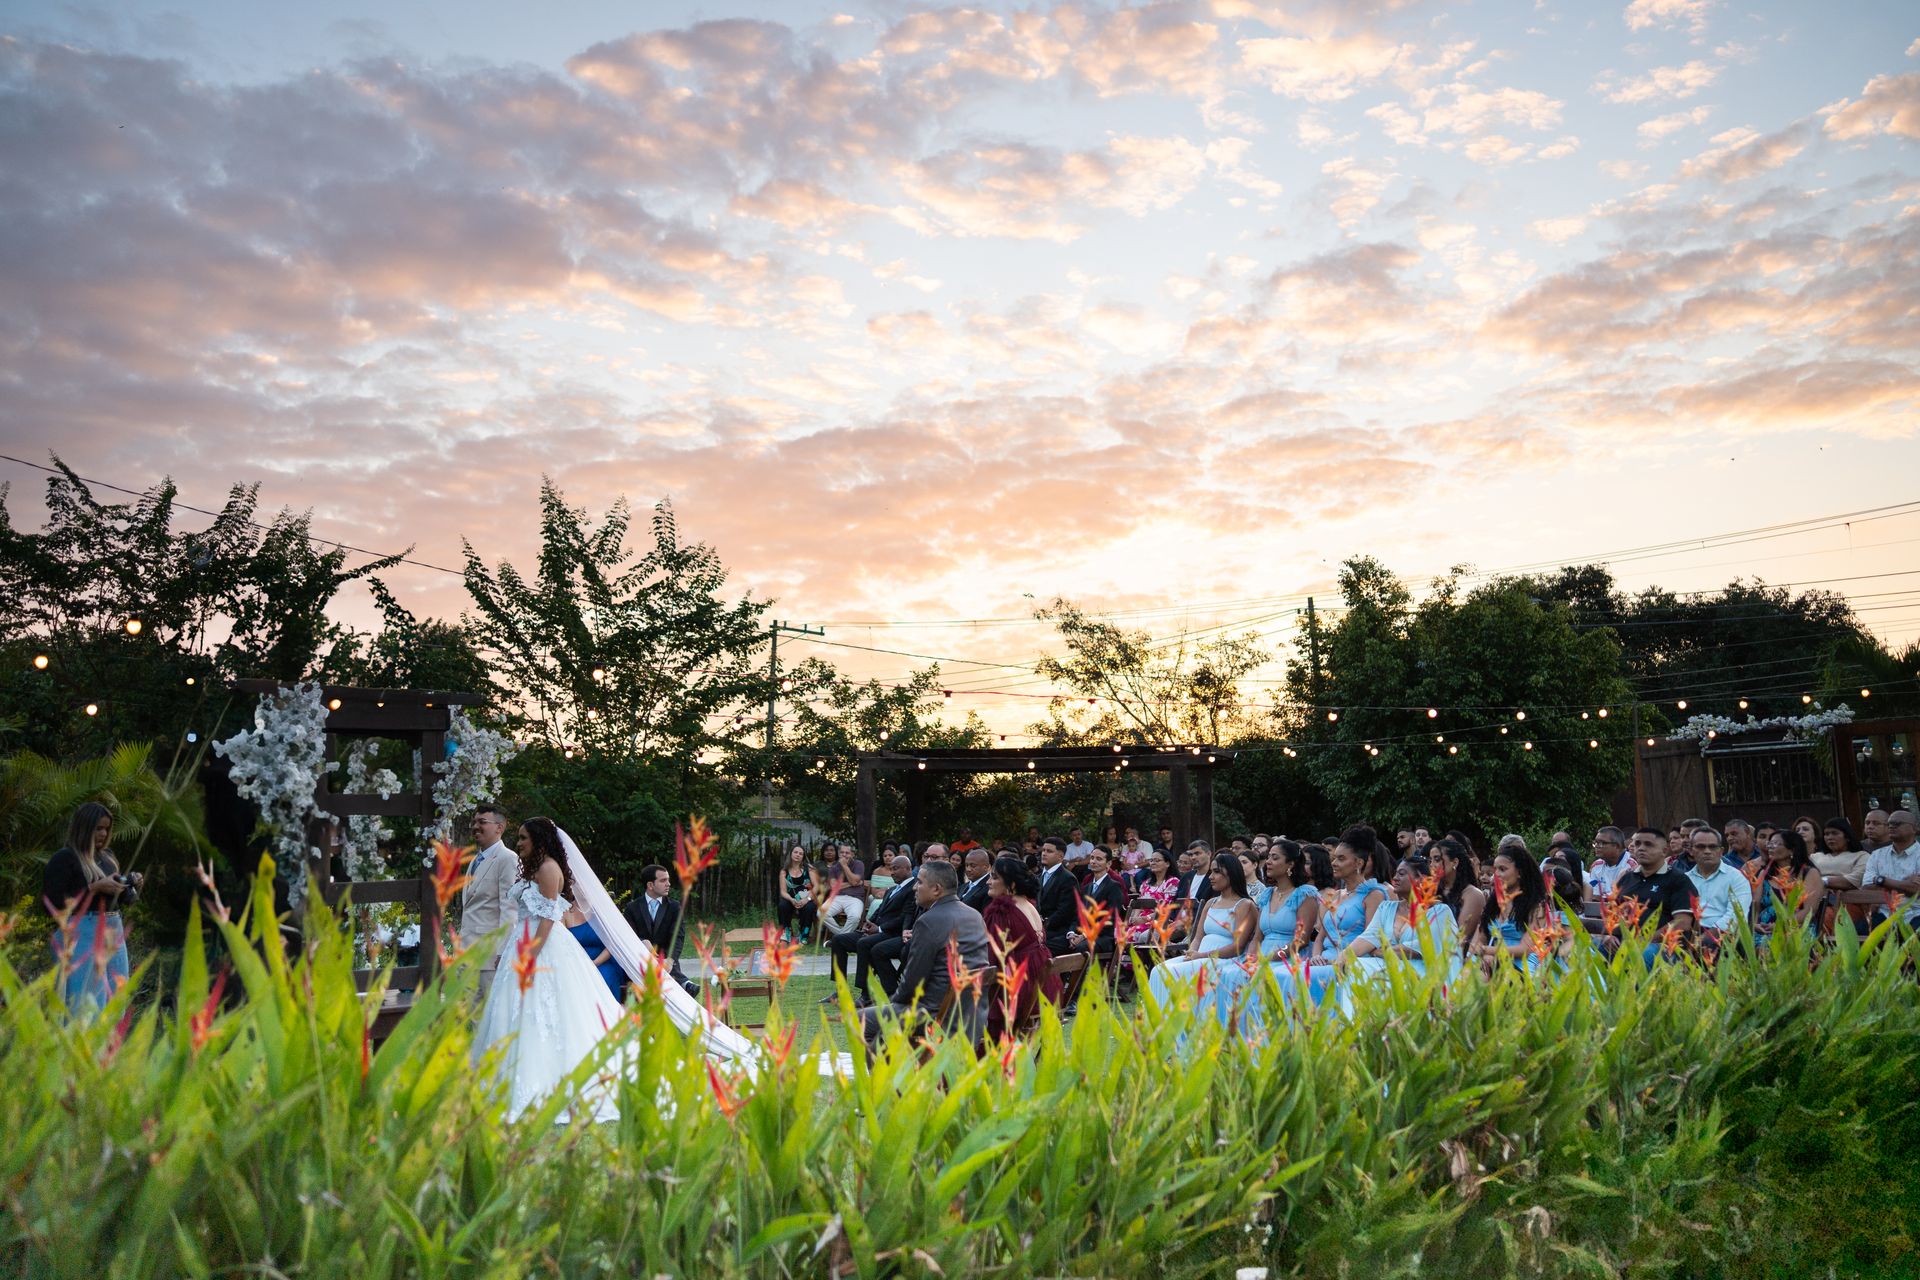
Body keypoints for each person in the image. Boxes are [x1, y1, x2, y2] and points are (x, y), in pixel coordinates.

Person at [473, 817, 627, 1120]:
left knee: (544, 1011)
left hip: (541, 945)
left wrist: (531, 956)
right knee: (511, 1010)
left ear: (539, 840)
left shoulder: (547, 868)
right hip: (521, 940)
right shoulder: (533, 867)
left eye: (523, 838)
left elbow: (547, 918)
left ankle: (547, 1085)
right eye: (518, 838)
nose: (519, 843)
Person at [859, 861, 991, 1047]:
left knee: (860, 1019)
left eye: (919, 882)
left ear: (936, 889)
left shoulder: (928, 921)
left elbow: (913, 980)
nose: (914, 887)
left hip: (935, 1015)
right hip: (971, 1014)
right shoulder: (974, 916)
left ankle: (888, 1066)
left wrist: (894, 1003)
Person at [42, 801, 139, 1014]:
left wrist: (130, 886)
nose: (103, 833)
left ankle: (112, 1038)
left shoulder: (108, 857)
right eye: (98, 828)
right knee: (84, 1003)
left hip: (113, 928)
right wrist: (94, 888)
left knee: (116, 999)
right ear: (84, 828)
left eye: (106, 828)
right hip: (82, 931)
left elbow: (122, 900)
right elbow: (52, 904)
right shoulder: (65, 858)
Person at [1147, 852, 1257, 1004]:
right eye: (1211, 872)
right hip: (1199, 956)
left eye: (1216, 872)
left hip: (1223, 959)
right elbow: (1198, 937)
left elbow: (1238, 946)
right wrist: (1191, 953)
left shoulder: (1244, 905)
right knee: (1158, 971)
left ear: (1231, 873)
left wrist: (1202, 956)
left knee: (1173, 972)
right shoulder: (1211, 903)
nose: (1211, 877)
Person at [981, 855, 1063, 1039]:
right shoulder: (1028, 904)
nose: (988, 882)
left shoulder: (1002, 910)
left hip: (1019, 991)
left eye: (994, 877)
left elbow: (994, 958)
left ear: (1011, 884)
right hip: (1042, 986)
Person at [828, 853, 919, 1003]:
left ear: (908, 869)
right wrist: (869, 923)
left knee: (864, 944)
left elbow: (904, 917)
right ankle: (840, 989)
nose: (892, 872)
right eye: (891, 869)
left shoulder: (913, 889)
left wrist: (880, 928)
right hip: (876, 931)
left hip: (892, 934)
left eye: (896, 868)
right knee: (838, 940)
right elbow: (880, 911)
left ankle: (866, 994)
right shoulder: (891, 889)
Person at [1613, 827, 1697, 965]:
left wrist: (1644, 939)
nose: (1641, 848)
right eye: (1637, 844)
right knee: (1587, 951)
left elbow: (1683, 923)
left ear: (1664, 851)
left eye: (1648, 844)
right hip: (1621, 943)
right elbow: (1613, 913)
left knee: (1640, 955)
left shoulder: (1678, 880)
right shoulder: (1627, 878)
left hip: (1663, 946)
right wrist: (1609, 936)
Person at [1474, 842, 1554, 974]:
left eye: (1502, 869)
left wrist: (1488, 951)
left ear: (1519, 872)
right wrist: (1482, 954)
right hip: (1490, 962)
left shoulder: (1536, 905)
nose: (1496, 875)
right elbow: (1479, 941)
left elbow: (1524, 950)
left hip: (1521, 965)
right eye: (1495, 870)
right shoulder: (1493, 904)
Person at [462, 804, 518, 990]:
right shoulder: (475, 860)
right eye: (474, 822)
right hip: (466, 954)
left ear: (499, 827)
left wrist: (503, 952)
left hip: (489, 956)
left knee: (485, 1007)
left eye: (482, 822)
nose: (475, 826)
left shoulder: (507, 858)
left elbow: (509, 910)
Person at [1314, 829, 1390, 959]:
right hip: (1323, 960)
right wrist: (1316, 957)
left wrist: (1340, 960)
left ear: (1358, 863)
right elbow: (1320, 939)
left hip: (1353, 962)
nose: (1333, 863)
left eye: (1341, 859)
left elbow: (1371, 940)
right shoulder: (1335, 895)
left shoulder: (1374, 895)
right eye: (1334, 858)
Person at [623, 864, 697, 996]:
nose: (668, 884)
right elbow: (627, 936)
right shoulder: (632, 908)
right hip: (640, 959)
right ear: (650, 885)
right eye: (663, 880)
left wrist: (671, 959)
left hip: (667, 960)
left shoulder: (674, 907)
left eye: (668, 880)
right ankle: (684, 983)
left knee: (664, 965)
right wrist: (642, 941)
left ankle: (682, 983)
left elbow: (678, 937)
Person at [1753, 827, 1824, 942]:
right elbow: (1756, 906)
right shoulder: (1764, 873)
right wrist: (1755, 924)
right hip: (1763, 930)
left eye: (1776, 844)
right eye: (1770, 844)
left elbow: (1809, 911)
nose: (1770, 847)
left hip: (1795, 928)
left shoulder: (1809, 873)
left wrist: (1781, 925)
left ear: (1792, 850)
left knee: (1772, 946)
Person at [1684, 828, 1753, 945]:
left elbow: (1736, 917)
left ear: (1721, 851)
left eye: (1712, 847)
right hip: (1689, 933)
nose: (1707, 851)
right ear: (1691, 851)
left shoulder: (1736, 877)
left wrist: (1705, 938)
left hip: (1724, 936)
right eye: (1701, 847)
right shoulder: (1685, 879)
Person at [1861, 810, 1920, 929]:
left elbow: (1916, 890)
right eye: (1890, 824)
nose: (1892, 826)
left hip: (1915, 913)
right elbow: (1867, 886)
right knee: (1855, 932)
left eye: (1897, 823)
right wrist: (1905, 884)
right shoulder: (1877, 855)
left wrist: (1881, 880)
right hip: (1884, 913)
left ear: (1915, 828)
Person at [1070, 847, 1128, 963]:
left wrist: (1084, 936)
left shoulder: (1114, 886)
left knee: (1081, 947)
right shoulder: (1086, 888)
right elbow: (1077, 915)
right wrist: (1071, 933)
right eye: (1092, 858)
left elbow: (1109, 919)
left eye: (1099, 859)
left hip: (1104, 937)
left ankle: (1082, 975)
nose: (1093, 861)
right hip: (1084, 935)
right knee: (1060, 943)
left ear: (1109, 864)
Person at [1431, 837, 1487, 956]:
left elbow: (1459, 937)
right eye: (1430, 860)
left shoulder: (1473, 895)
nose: (1432, 865)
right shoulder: (1431, 891)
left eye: (1437, 859)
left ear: (1455, 862)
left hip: (1454, 957)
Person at [564, 901, 625, 1001]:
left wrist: (594, 963)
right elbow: (562, 943)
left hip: (602, 960)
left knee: (603, 978)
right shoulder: (564, 910)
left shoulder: (602, 909)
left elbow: (612, 944)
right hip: (576, 962)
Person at [820, 844, 868, 936]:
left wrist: (845, 866)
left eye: (847, 853)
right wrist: (852, 883)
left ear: (852, 854)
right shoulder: (834, 868)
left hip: (855, 898)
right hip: (837, 897)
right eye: (842, 852)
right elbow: (834, 886)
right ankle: (841, 936)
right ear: (838, 854)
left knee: (854, 917)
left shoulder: (858, 864)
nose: (844, 855)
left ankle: (839, 938)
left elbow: (854, 881)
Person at [775, 845, 819, 943]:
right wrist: (792, 900)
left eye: (800, 853)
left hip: (807, 898)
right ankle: (786, 933)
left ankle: (804, 935)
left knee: (809, 907)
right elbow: (783, 892)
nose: (798, 855)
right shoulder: (784, 872)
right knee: (782, 905)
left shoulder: (809, 869)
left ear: (803, 857)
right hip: (791, 899)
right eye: (795, 852)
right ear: (791, 854)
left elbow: (816, 886)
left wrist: (806, 899)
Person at [1586, 826, 1632, 901]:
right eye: (1596, 843)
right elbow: (1594, 896)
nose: (1597, 846)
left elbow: (1625, 898)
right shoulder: (1596, 866)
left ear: (1617, 846)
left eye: (1602, 843)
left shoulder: (1630, 865)